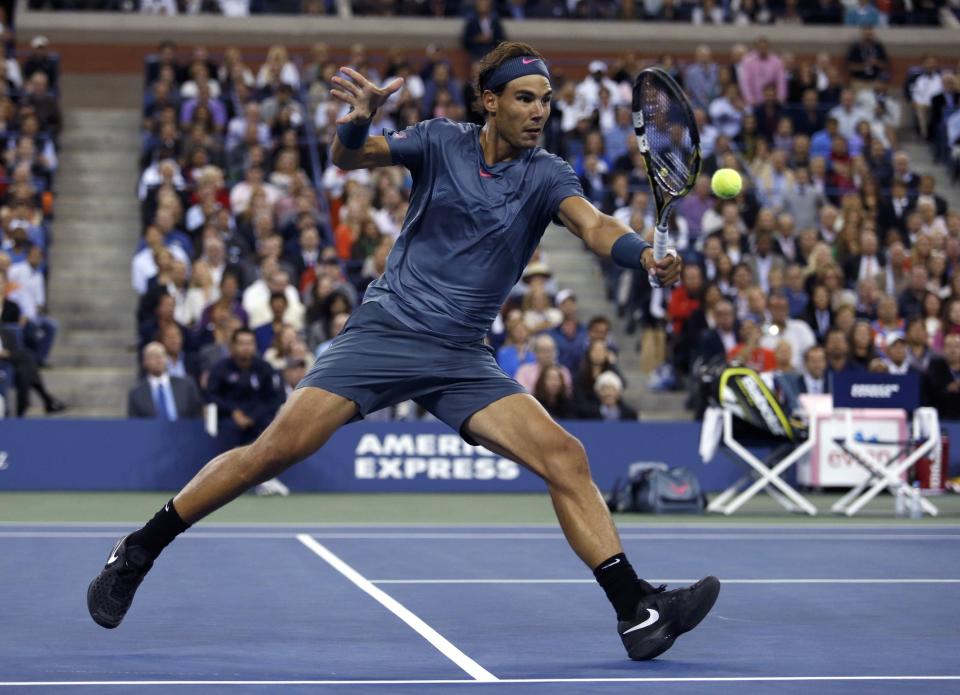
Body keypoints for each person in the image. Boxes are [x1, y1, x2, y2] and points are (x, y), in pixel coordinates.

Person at [87, 41, 718, 661]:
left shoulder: (547, 175)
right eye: (525, 98)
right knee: (272, 452)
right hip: (387, 332)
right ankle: (140, 548)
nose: (539, 112)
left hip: (462, 358)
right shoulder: (441, 141)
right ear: (489, 101)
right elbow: (349, 156)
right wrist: (358, 120)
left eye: (547, 101)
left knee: (565, 457)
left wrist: (642, 255)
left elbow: (595, 225)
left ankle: (635, 610)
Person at [128, 342, 204, 419]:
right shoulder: (136, 393)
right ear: (144, 362)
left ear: (167, 358)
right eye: (153, 356)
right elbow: (134, 424)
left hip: (184, 430)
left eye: (161, 355)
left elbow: (197, 415)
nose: (158, 359)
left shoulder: (186, 385)